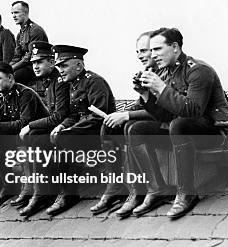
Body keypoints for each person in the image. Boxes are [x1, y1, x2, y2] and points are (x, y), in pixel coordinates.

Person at [128, 27, 228, 218]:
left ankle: (186, 192)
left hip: (216, 134)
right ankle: (156, 189)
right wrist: (146, 95)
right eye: (151, 50)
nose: (153, 55)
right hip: (182, 134)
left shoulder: (198, 70)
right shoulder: (167, 72)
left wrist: (161, 88)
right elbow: (164, 116)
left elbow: (192, 111)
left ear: (175, 47)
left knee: (178, 124)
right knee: (137, 129)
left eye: (158, 49)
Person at [92, 31, 158, 217]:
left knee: (131, 127)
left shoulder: (161, 73)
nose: (140, 56)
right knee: (110, 125)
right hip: (161, 124)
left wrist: (127, 115)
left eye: (145, 50)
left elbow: (164, 111)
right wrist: (119, 114)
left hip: (178, 127)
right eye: (138, 51)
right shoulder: (150, 72)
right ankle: (118, 186)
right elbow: (143, 104)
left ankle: (146, 189)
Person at [47, 45, 116, 216]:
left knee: (65, 140)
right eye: (59, 67)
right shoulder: (74, 84)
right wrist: (62, 126)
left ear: (78, 65)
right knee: (58, 138)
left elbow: (99, 116)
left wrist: (70, 130)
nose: (60, 71)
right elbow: (74, 114)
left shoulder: (94, 81)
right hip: (85, 129)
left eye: (64, 66)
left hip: (102, 130)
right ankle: (64, 192)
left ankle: (68, 194)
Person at [0, 62, 49, 207]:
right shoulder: (0, 97)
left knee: (21, 137)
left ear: (10, 78)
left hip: (40, 136)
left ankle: (29, 187)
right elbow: (3, 122)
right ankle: (7, 185)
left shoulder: (25, 94)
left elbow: (24, 124)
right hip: (22, 136)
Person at [15, 41, 69, 216]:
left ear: (52, 62)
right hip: (60, 126)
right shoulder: (48, 81)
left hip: (70, 128)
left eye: (39, 62)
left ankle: (44, 192)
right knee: (32, 137)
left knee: (36, 138)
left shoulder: (59, 81)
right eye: (33, 63)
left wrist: (30, 125)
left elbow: (58, 116)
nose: (35, 66)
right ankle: (38, 190)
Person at [9, 1, 48, 86]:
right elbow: (17, 56)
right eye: (12, 13)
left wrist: (12, 68)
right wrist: (6, 68)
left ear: (25, 12)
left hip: (36, 66)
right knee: (3, 76)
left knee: (11, 78)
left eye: (16, 12)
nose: (13, 16)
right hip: (25, 66)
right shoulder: (20, 34)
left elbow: (30, 56)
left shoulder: (35, 30)